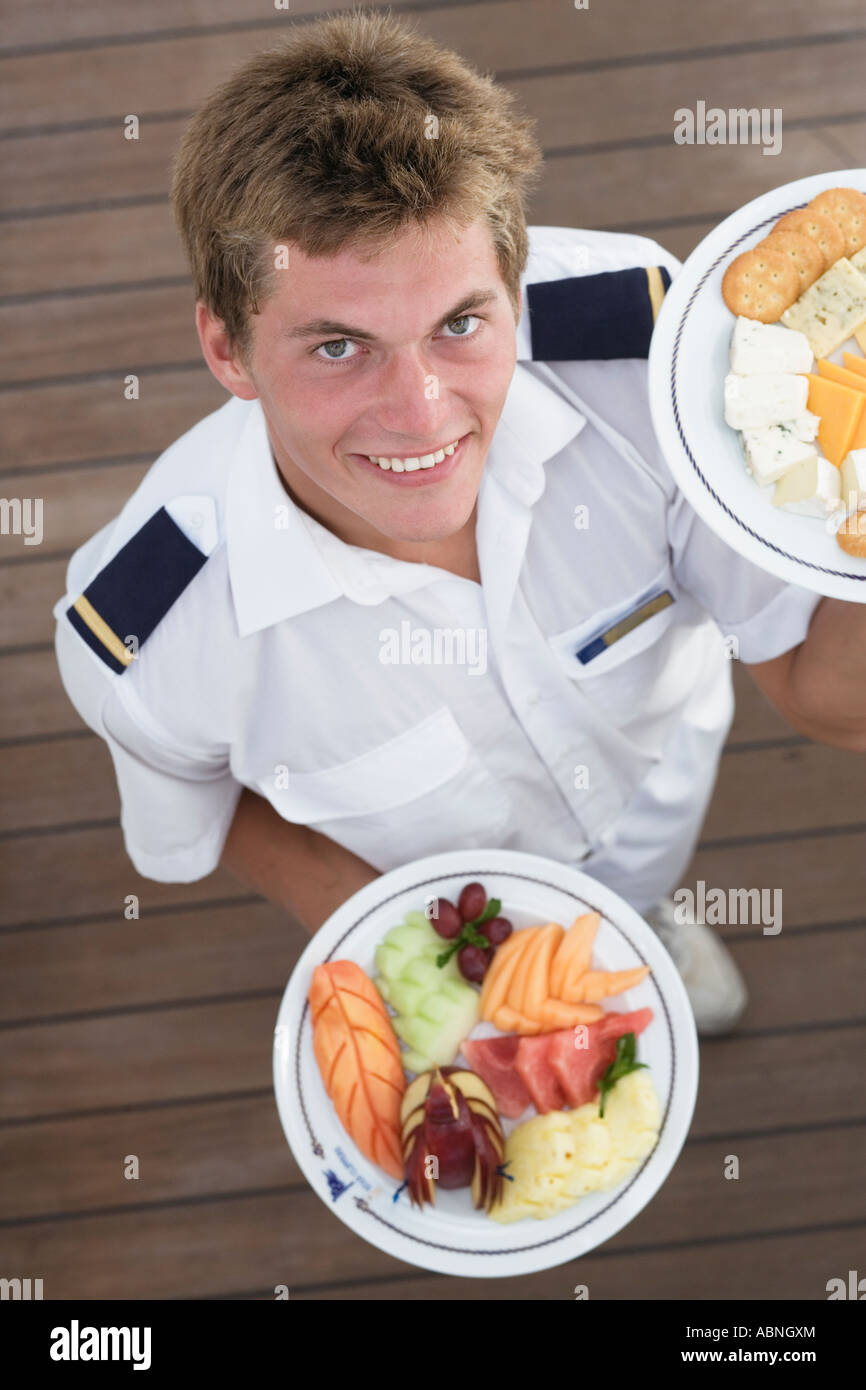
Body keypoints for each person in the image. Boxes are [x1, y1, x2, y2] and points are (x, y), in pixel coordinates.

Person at [53, 10, 866, 1037]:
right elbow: (203, 808)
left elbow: (830, 700)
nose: (421, 410)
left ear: (513, 287)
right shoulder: (147, 636)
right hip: (462, 927)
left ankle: (652, 925)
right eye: (339, 347)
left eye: (459, 324)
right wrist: (421, 968)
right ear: (225, 347)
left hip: (657, 813)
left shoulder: (657, 366)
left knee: (645, 908)